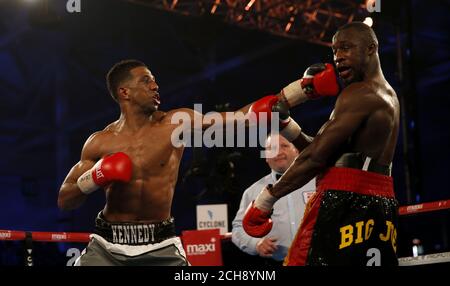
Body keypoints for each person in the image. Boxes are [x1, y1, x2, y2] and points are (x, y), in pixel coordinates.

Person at [57, 59, 339, 266]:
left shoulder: (176, 123)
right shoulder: (99, 142)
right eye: (145, 80)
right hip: (108, 246)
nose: (155, 85)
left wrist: (300, 91)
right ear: (124, 92)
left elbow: (238, 121)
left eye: (154, 78)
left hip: (161, 246)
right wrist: (96, 176)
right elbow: (65, 200)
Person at [243, 22, 400, 266]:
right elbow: (323, 151)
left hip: (345, 197)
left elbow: (314, 158)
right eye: (335, 51)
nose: (338, 57)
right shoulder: (385, 93)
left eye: (346, 48)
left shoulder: (361, 93)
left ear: (371, 48)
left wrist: (266, 200)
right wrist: (286, 124)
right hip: (379, 202)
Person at [232, 134, 315, 265]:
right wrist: (256, 243)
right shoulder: (253, 191)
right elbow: (238, 229)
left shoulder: (317, 181)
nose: (278, 152)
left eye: (284, 146)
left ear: (297, 150)